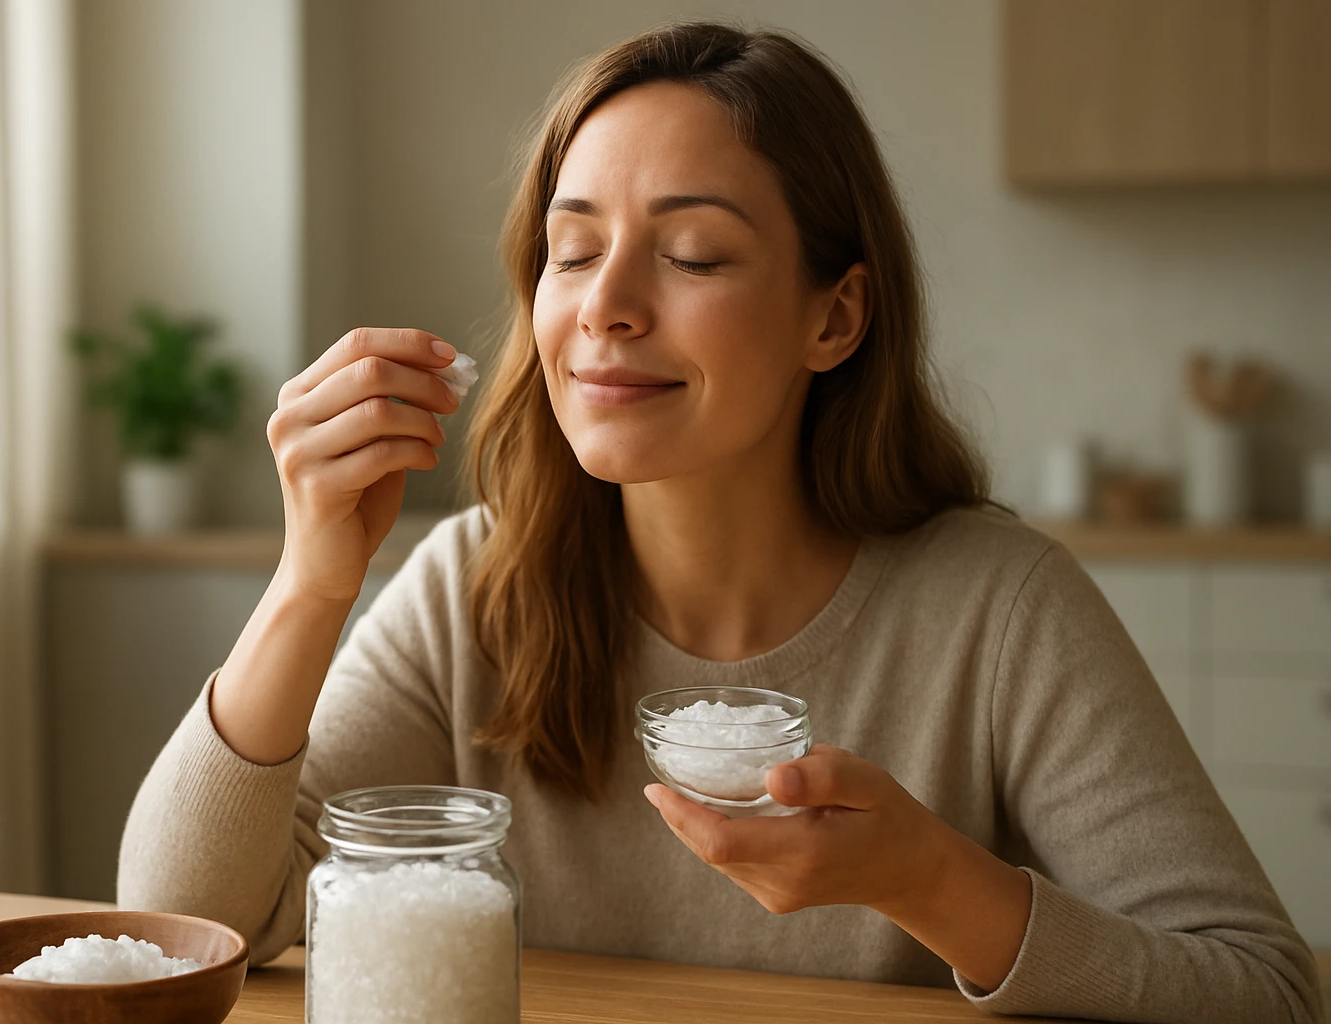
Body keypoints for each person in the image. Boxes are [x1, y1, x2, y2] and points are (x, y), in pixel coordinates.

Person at [118, 21, 1322, 1023]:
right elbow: (189, 927)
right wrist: (309, 585)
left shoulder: (999, 608)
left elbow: (1266, 990)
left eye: (692, 254)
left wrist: (934, 880)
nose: (607, 308)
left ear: (835, 319)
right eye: (573, 249)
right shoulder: (475, 585)